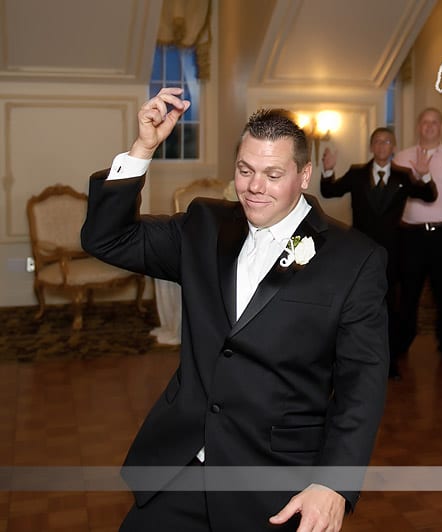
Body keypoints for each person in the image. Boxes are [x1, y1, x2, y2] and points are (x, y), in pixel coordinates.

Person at [81, 88, 389, 531]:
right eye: (245, 170)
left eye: (272, 173)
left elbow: (363, 384)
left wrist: (334, 484)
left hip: (274, 485)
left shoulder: (354, 258)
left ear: (304, 175)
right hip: (181, 467)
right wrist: (143, 149)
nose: (254, 187)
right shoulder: (205, 225)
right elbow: (105, 239)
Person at [319, 127, 437, 380]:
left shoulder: (403, 175)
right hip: (359, 252)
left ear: (393, 147)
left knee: (389, 306)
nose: (382, 146)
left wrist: (425, 176)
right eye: (378, 142)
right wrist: (328, 170)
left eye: (387, 142)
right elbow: (330, 191)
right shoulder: (356, 173)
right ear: (371, 147)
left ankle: (389, 360)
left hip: (392, 252)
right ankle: (353, 357)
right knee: (356, 304)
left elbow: (429, 196)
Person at [393, 108, 442, 367]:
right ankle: (401, 343)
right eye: (425, 122)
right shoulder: (402, 158)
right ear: (418, 126)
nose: (429, 126)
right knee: (408, 295)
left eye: (434, 122)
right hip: (411, 236)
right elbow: (392, 200)